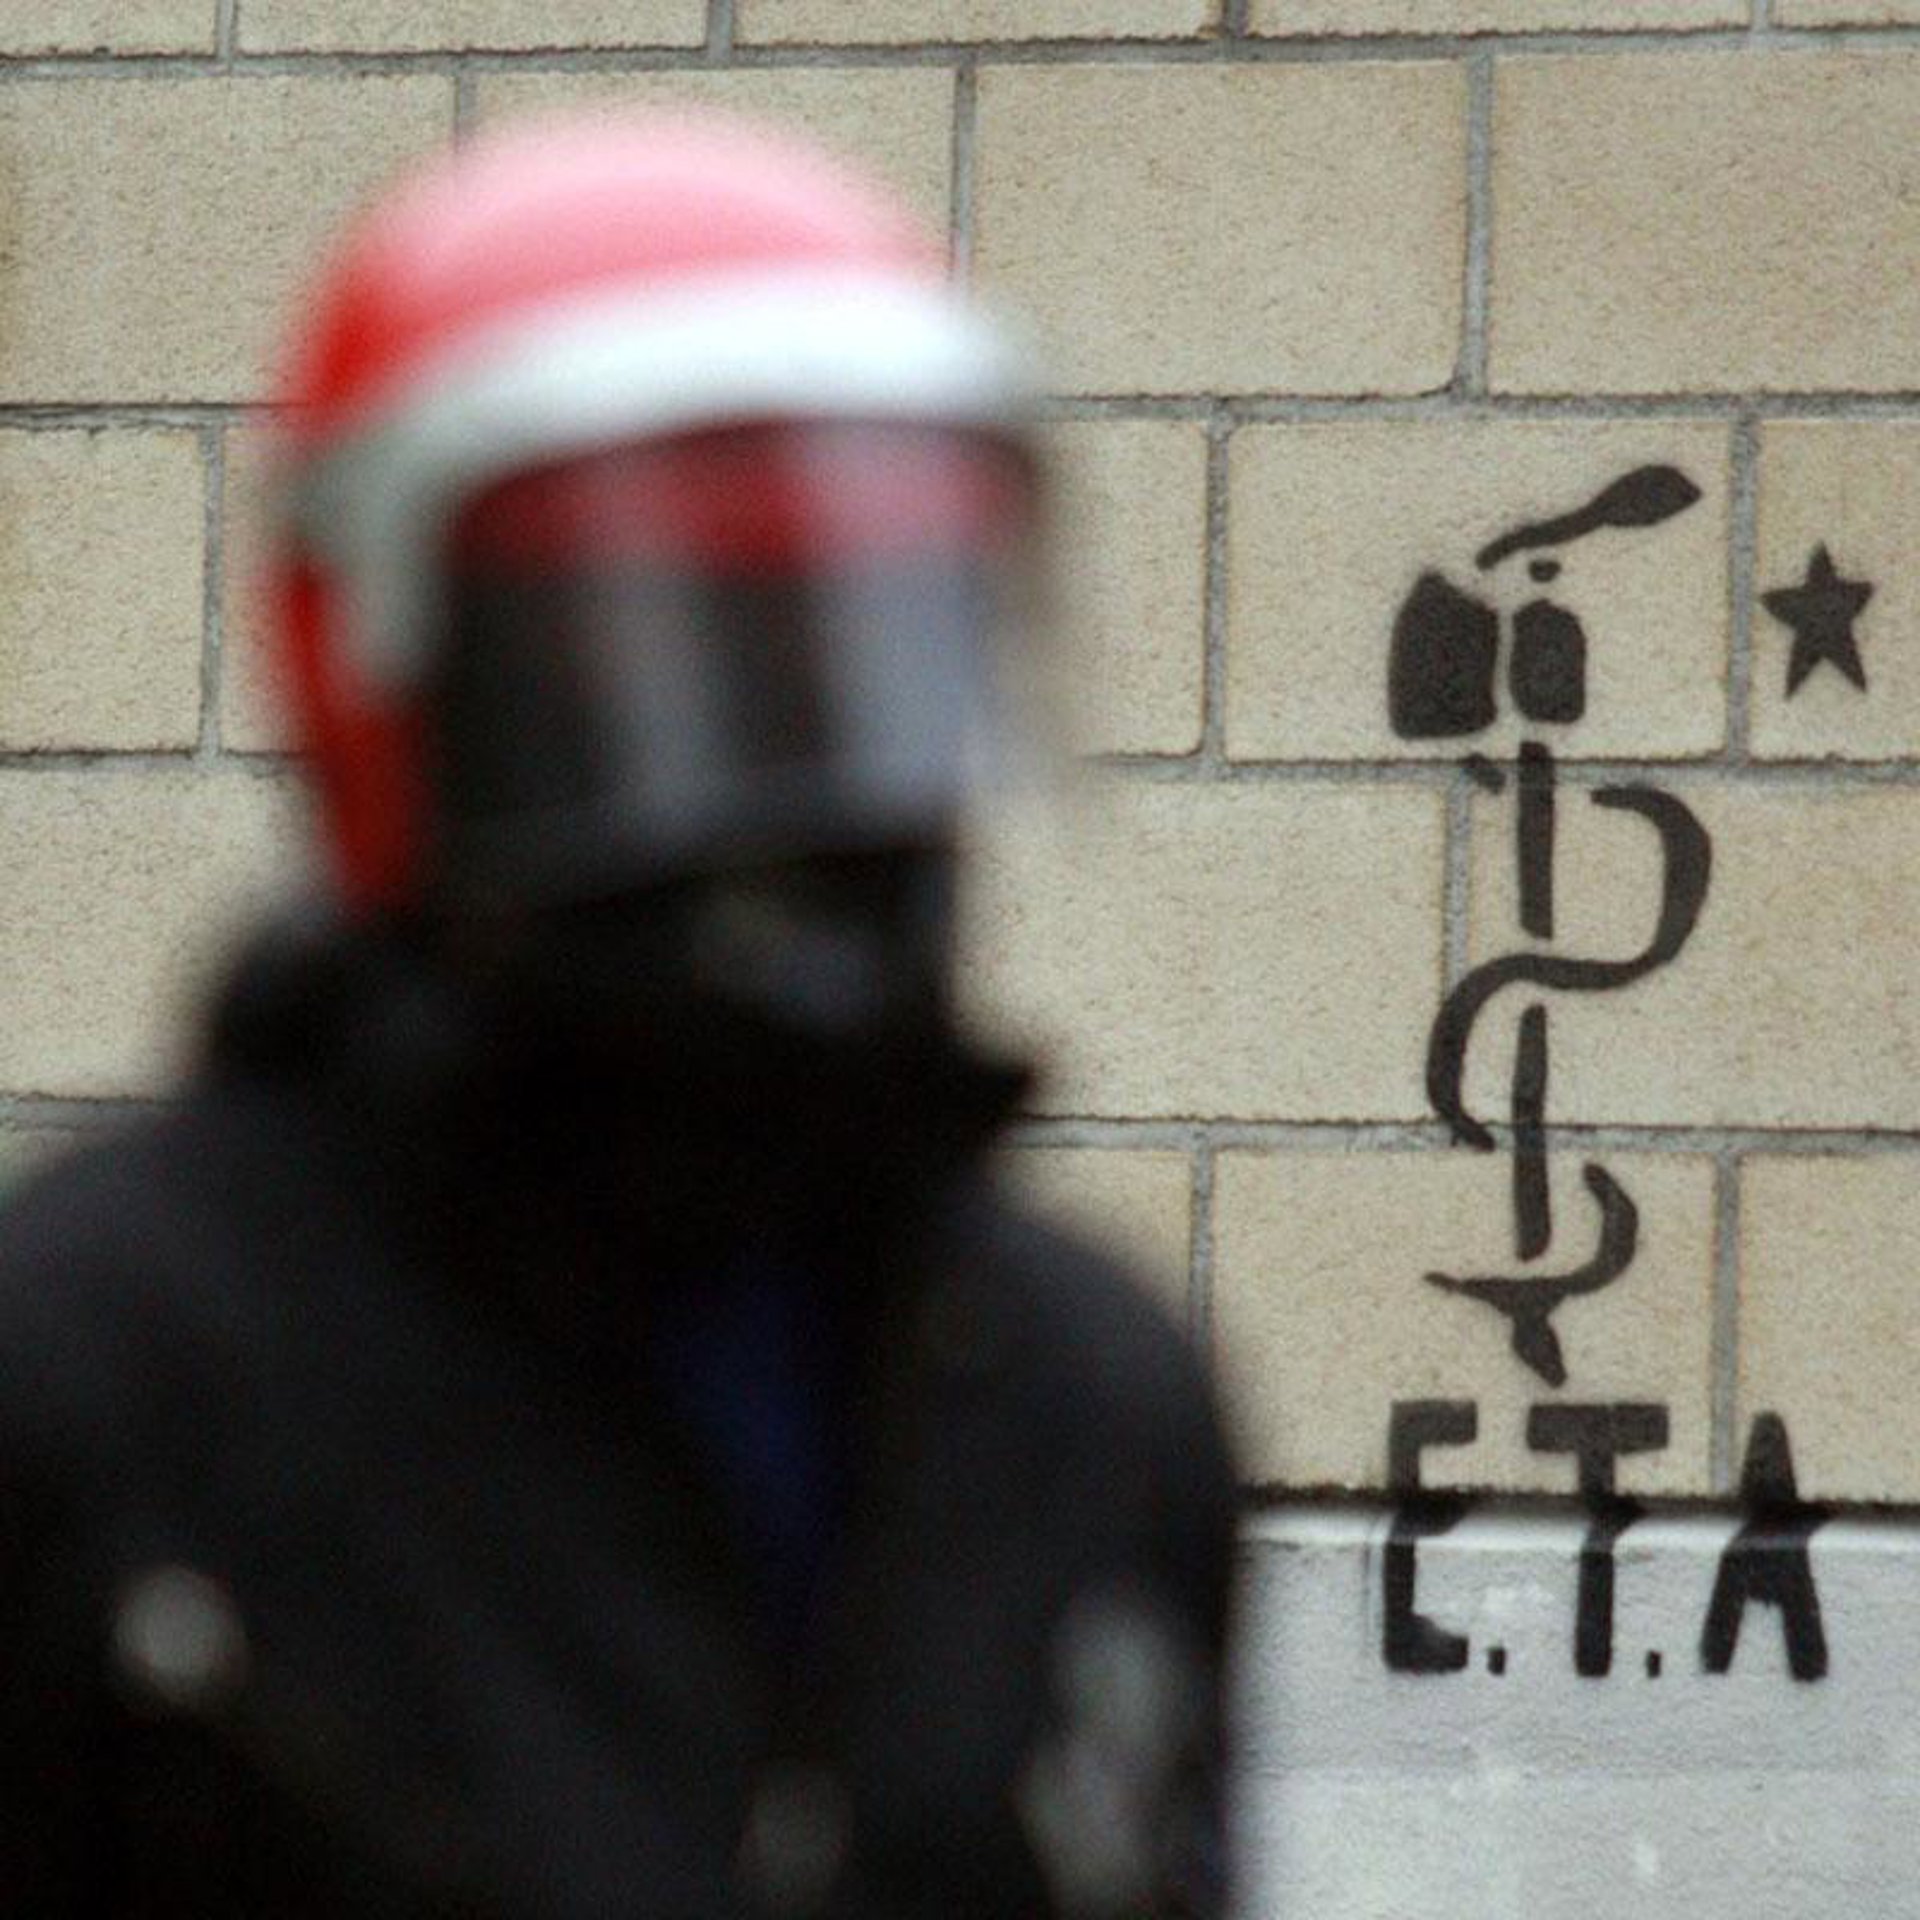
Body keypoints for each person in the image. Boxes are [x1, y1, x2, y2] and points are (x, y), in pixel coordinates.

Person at [0, 114, 1239, 1918]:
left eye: (850, 661)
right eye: (651, 677)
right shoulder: (102, 1382)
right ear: (398, 683)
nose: (793, 806)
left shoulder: (1089, 1403)